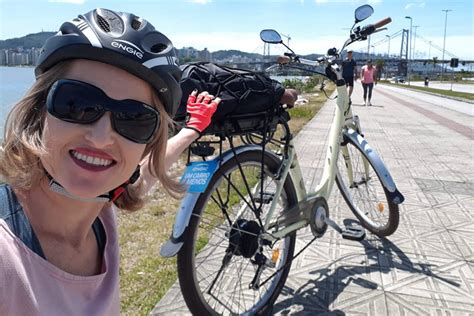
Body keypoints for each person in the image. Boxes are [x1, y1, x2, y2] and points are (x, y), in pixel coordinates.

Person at [0, 8, 220, 315]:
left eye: (133, 119)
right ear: (39, 111)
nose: (102, 137)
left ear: (147, 143)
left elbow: (141, 178)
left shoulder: (100, 214)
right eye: (77, 104)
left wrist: (192, 129)